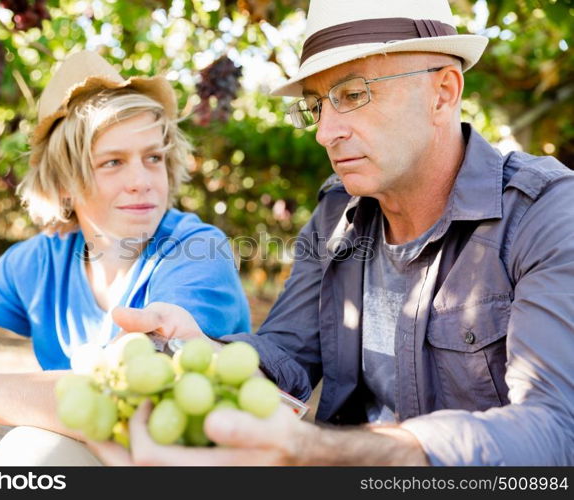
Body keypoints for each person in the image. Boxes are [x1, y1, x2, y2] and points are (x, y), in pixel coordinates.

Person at [92, 0, 574, 466]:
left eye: (352, 94)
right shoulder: (336, 211)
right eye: (317, 105)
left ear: (443, 92)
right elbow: (288, 352)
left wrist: (324, 453)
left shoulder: (546, 215)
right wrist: (206, 351)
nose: (325, 132)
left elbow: (556, 431)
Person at [0, 50, 251, 466]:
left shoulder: (197, 251)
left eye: (153, 158)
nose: (142, 182)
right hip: (89, 446)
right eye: (113, 162)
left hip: (174, 459)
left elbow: (119, 394)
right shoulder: (41, 260)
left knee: (34, 455)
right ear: (65, 183)